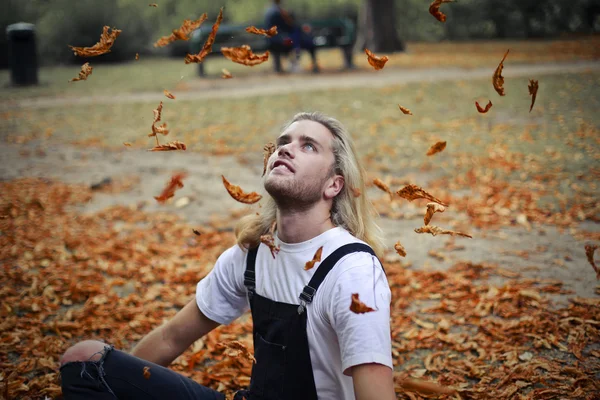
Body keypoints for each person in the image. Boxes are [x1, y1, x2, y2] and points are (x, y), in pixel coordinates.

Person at [58, 112, 396, 400]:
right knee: (84, 361)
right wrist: (119, 391)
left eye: (308, 145)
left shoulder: (352, 272)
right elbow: (170, 338)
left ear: (333, 185)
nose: (286, 149)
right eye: (284, 141)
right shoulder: (251, 255)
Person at [264, 0, 319, 73]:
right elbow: (287, 25)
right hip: (278, 40)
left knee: (297, 39)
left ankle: (295, 62)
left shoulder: (273, 10)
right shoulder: (275, 12)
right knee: (295, 40)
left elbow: (291, 25)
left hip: (280, 39)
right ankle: (294, 63)